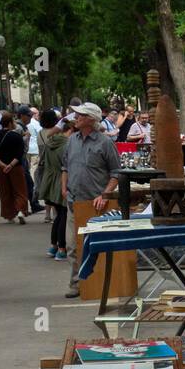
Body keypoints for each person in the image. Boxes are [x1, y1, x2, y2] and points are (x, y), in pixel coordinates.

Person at [61, 102, 121, 297]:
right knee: (72, 246)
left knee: (96, 246)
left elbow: (116, 172)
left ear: (91, 119)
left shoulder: (105, 142)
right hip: (74, 202)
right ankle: (77, 284)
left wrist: (105, 194)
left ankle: (98, 284)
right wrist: (64, 188)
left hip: (96, 205)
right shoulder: (71, 140)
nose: (75, 117)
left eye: (80, 114)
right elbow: (65, 167)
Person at [36, 108, 69, 260]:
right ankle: (62, 248)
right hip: (61, 182)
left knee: (58, 216)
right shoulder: (66, 146)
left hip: (49, 181)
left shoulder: (49, 142)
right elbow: (66, 168)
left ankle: (53, 246)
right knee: (63, 215)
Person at [0, 112, 29, 224]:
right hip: (16, 167)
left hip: (1, 169)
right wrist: (11, 165)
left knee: (5, 191)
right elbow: (19, 153)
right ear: (10, 123)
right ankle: (21, 210)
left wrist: (3, 165)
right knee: (20, 190)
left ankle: (9, 214)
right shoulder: (16, 137)